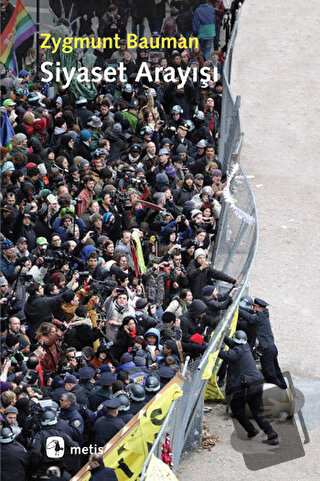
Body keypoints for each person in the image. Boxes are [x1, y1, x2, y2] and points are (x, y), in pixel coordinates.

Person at [218, 330, 279, 445]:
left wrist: (210, 347)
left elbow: (224, 355)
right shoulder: (245, 347)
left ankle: (251, 430)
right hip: (257, 383)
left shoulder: (236, 353)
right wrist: (224, 337)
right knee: (258, 412)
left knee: (236, 408)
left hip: (245, 386)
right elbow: (233, 344)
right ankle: (272, 435)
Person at [238, 298, 287, 389]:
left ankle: (280, 391)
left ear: (260, 308)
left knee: (270, 374)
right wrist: (238, 307)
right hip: (271, 348)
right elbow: (248, 311)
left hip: (266, 351)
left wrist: (237, 310)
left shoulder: (259, 317)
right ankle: (284, 387)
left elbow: (250, 318)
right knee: (276, 371)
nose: (253, 308)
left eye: (255, 307)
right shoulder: (261, 314)